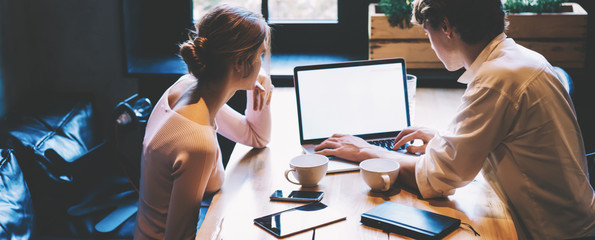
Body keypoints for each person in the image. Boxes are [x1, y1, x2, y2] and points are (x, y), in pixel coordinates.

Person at [315, 0, 595, 239]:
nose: (431, 44)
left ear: (446, 27)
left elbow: (438, 179)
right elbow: (493, 141)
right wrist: (441, 139)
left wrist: (368, 151)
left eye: (428, 32)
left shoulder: (497, 79)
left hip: (555, 232)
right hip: (574, 218)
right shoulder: (518, 59)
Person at [133, 4, 272, 239]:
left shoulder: (190, 87)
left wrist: (260, 82)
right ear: (239, 63)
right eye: (260, 55)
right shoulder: (198, 144)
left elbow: (256, 137)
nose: (262, 62)